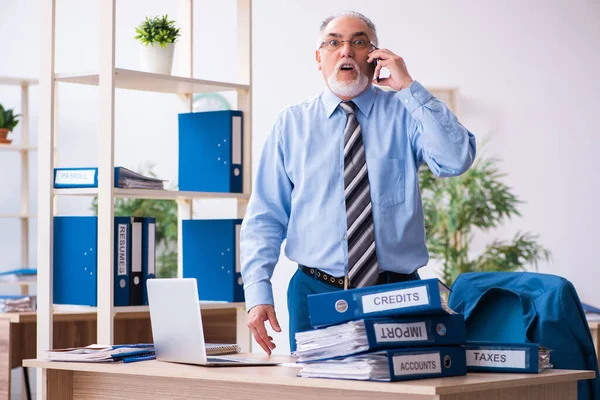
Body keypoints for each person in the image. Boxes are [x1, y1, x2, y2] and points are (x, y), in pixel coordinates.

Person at [240, 10, 476, 355]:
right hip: (315, 291)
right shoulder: (291, 125)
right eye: (334, 43)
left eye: (359, 42)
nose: (346, 51)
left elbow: (456, 160)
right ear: (319, 59)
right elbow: (265, 216)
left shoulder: (406, 113)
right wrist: (257, 294)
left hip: (398, 294)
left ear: (375, 57)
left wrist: (409, 87)